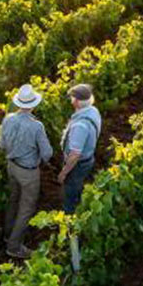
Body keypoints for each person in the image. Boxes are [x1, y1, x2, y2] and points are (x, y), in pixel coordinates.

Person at [0, 84, 53, 258]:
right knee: (26, 209)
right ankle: (14, 247)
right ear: (33, 104)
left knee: (13, 200)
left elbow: (1, 144)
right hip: (28, 172)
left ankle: (8, 235)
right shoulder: (37, 126)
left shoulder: (8, 119)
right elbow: (47, 154)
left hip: (11, 167)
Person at [58, 83, 102, 213]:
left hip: (77, 165)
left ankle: (69, 217)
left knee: (70, 194)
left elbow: (75, 155)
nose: (71, 100)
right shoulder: (93, 111)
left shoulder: (80, 126)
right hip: (88, 159)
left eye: (72, 98)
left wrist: (64, 173)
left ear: (76, 102)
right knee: (77, 186)